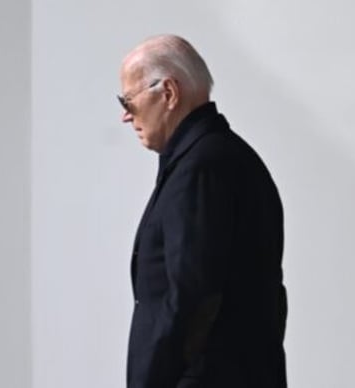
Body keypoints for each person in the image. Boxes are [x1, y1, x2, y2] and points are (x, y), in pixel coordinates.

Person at [119, 34, 287, 388]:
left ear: (168, 93)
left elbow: (192, 299)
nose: (124, 115)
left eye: (128, 100)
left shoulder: (200, 169)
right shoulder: (226, 157)